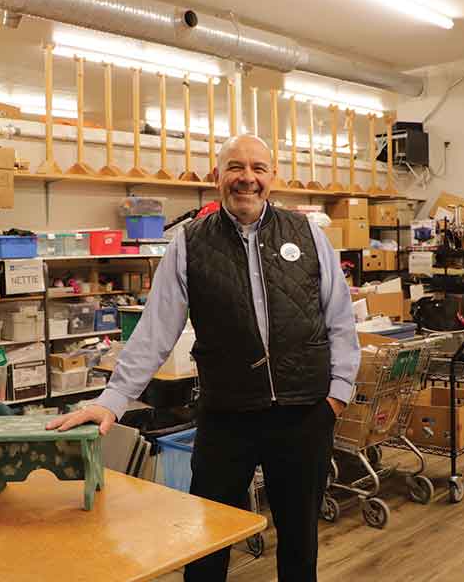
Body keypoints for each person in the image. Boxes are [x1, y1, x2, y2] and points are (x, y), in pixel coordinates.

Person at [48, 134, 360, 582]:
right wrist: (112, 399)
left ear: (273, 178)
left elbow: (339, 318)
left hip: (303, 414)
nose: (247, 178)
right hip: (226, 416)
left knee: (299, 542)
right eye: (235, 167)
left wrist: (338, 394)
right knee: (207, 540)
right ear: (217, 177)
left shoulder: (307, 233)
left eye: (258, 168)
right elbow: (156, 330)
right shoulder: (189, 243)